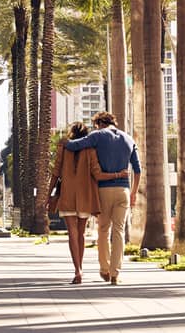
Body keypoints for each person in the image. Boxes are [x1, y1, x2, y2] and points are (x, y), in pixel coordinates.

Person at [62, 111, 140, 284]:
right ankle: (115, 273)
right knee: (119, 231)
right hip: (124, 190)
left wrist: (64, 142)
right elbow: (137, 169)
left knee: (104, 230)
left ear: (99, 124)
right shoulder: (128, 138)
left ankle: (104, 269)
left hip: (104, 190)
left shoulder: (97, 136)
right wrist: (133, 192)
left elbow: (74, 145)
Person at [48, 122, 100, 283]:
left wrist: (48, 195)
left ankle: (77, 270)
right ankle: (80, 267)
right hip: (85, 195)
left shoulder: (63, 148)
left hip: (67, 195)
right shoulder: (90, 149)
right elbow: (96, 172)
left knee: (72, 233)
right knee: (81, 233)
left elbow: (56, 172)